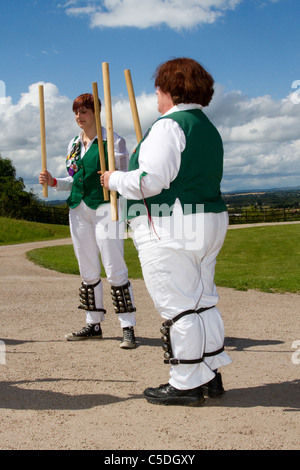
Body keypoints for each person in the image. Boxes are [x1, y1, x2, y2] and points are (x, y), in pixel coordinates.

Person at [101, 58, 232, 405]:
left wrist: (114, 179)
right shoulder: (205, 126)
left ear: (171, 90)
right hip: (208, 220)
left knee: (177, 304)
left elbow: (150, 181)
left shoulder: (168, 125)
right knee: (203, 300)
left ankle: (186, 381)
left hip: (171, 224)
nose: (155, 95)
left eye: (158, 89)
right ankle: (210, 372)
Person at [39, 93, 136, 349]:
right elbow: (74, 180)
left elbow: (123, 178)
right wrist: (54, 182)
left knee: (114, 267)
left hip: (106, 208)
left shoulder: (113, 140)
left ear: (96, 113)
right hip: (78, 209)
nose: (78, 117)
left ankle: (128, 327)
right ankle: (93, 323)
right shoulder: (73, 143)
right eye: (76, 112)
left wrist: (112, 176)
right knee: (87, 269)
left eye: (83, 112)